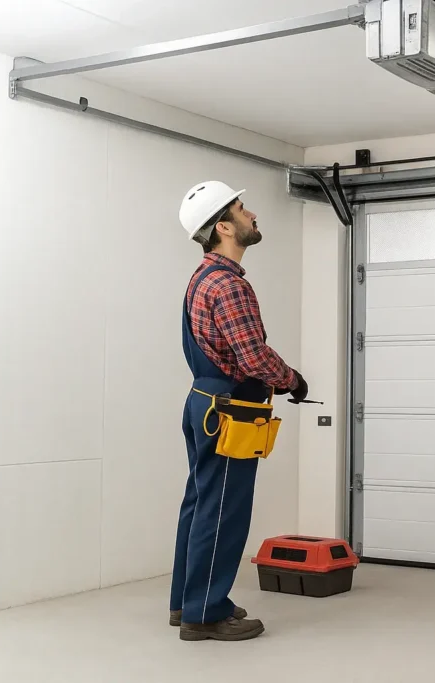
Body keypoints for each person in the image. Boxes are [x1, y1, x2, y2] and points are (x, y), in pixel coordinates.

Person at [170, 181, 308, 642]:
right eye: (242, 208)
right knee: (223, 510)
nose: (253, 215)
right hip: (231, 409)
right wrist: (291, 379)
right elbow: (252, 357)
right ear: (224, 226)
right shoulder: (228, 285)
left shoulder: (200, 278)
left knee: (200, 504)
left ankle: (185, 602)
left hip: (204, 402)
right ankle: (206, 613)